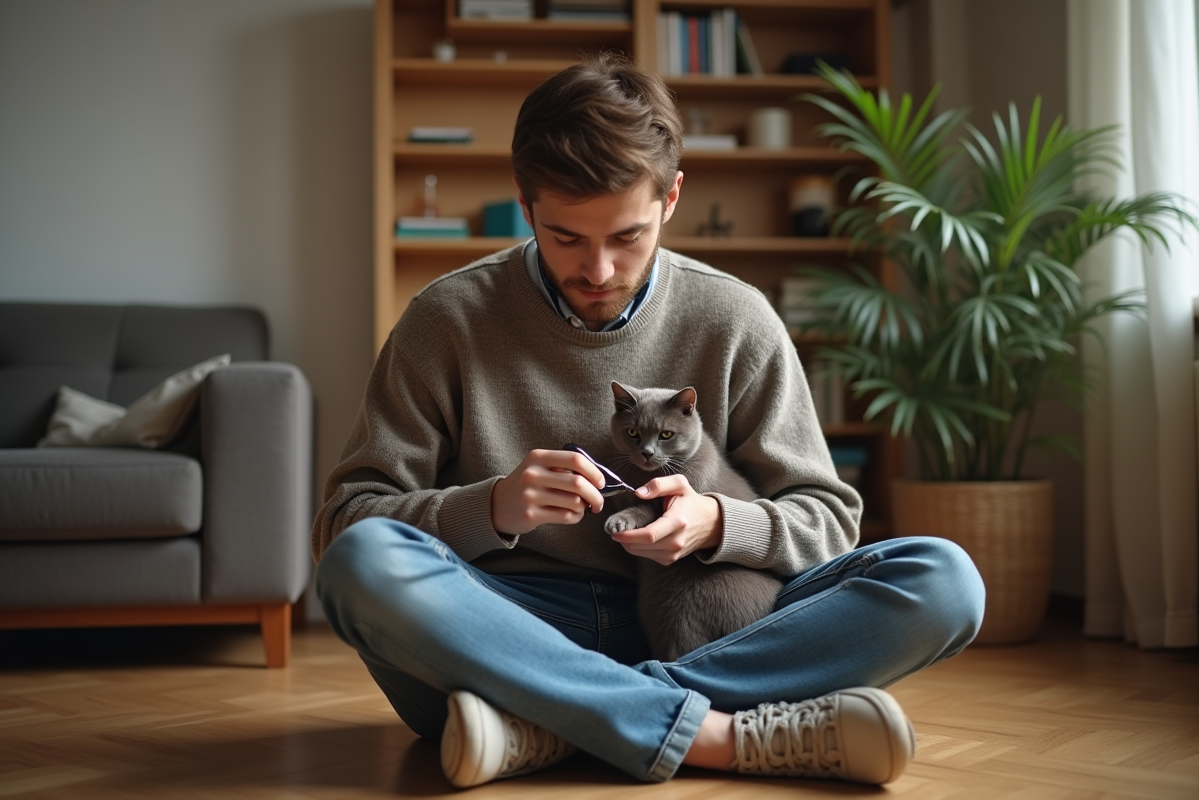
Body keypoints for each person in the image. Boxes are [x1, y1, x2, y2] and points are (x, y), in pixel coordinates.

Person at [313, 54, 985, 789]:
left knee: (944, 581)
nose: (598, 270)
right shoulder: (445, 320)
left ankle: (550, 726)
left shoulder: (735, 318)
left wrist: (717, 524)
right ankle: (721, 733)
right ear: (524, 199)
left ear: (671, 198)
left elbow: (828, 519)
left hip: (709, 627)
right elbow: (347, 524)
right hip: (510, 630)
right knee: (362, 565)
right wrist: (491, 507)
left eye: (626, 236)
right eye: (566, 237)